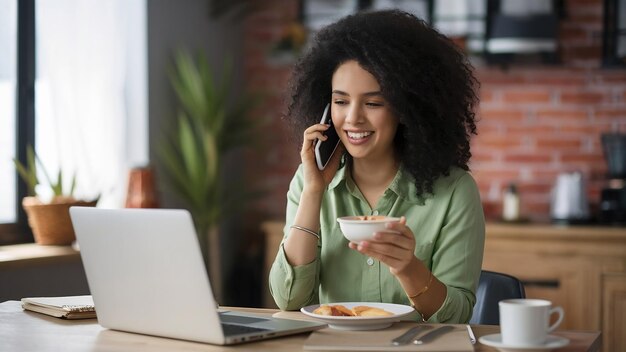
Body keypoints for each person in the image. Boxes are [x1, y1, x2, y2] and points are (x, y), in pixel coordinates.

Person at [268, 9, 485, 323]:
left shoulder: (454, 192)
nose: (353, 118)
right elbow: (288, 300)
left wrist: (407, 267)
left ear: (407, 107)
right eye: (341, 102)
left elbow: (456, 316)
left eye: (373, 103)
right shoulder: (308, 181)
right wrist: (314, 191)